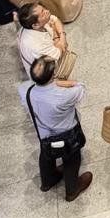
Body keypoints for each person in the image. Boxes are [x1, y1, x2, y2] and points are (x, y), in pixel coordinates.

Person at [21, 56, 92, 202]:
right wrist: (63, 82)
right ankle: (72, 190)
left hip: (44, 135)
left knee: (46, 156)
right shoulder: (64, 95)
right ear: (52, 75)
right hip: (68, 135)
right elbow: (81, 87)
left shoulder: (25, 89)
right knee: (72, 160)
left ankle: (47, 181)